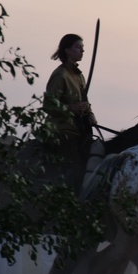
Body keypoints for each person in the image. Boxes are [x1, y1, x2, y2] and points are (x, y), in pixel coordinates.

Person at [42, 33, 97, 191]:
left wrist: (90, 114)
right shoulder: (60, 75)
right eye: (78, 47)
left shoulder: (79, 76)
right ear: (67, 50)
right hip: (61, 131)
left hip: (78, 130)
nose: (82, 51)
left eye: (83, 48)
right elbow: (48, 104)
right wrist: (72, 108)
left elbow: (84, 101)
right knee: (75, 171)